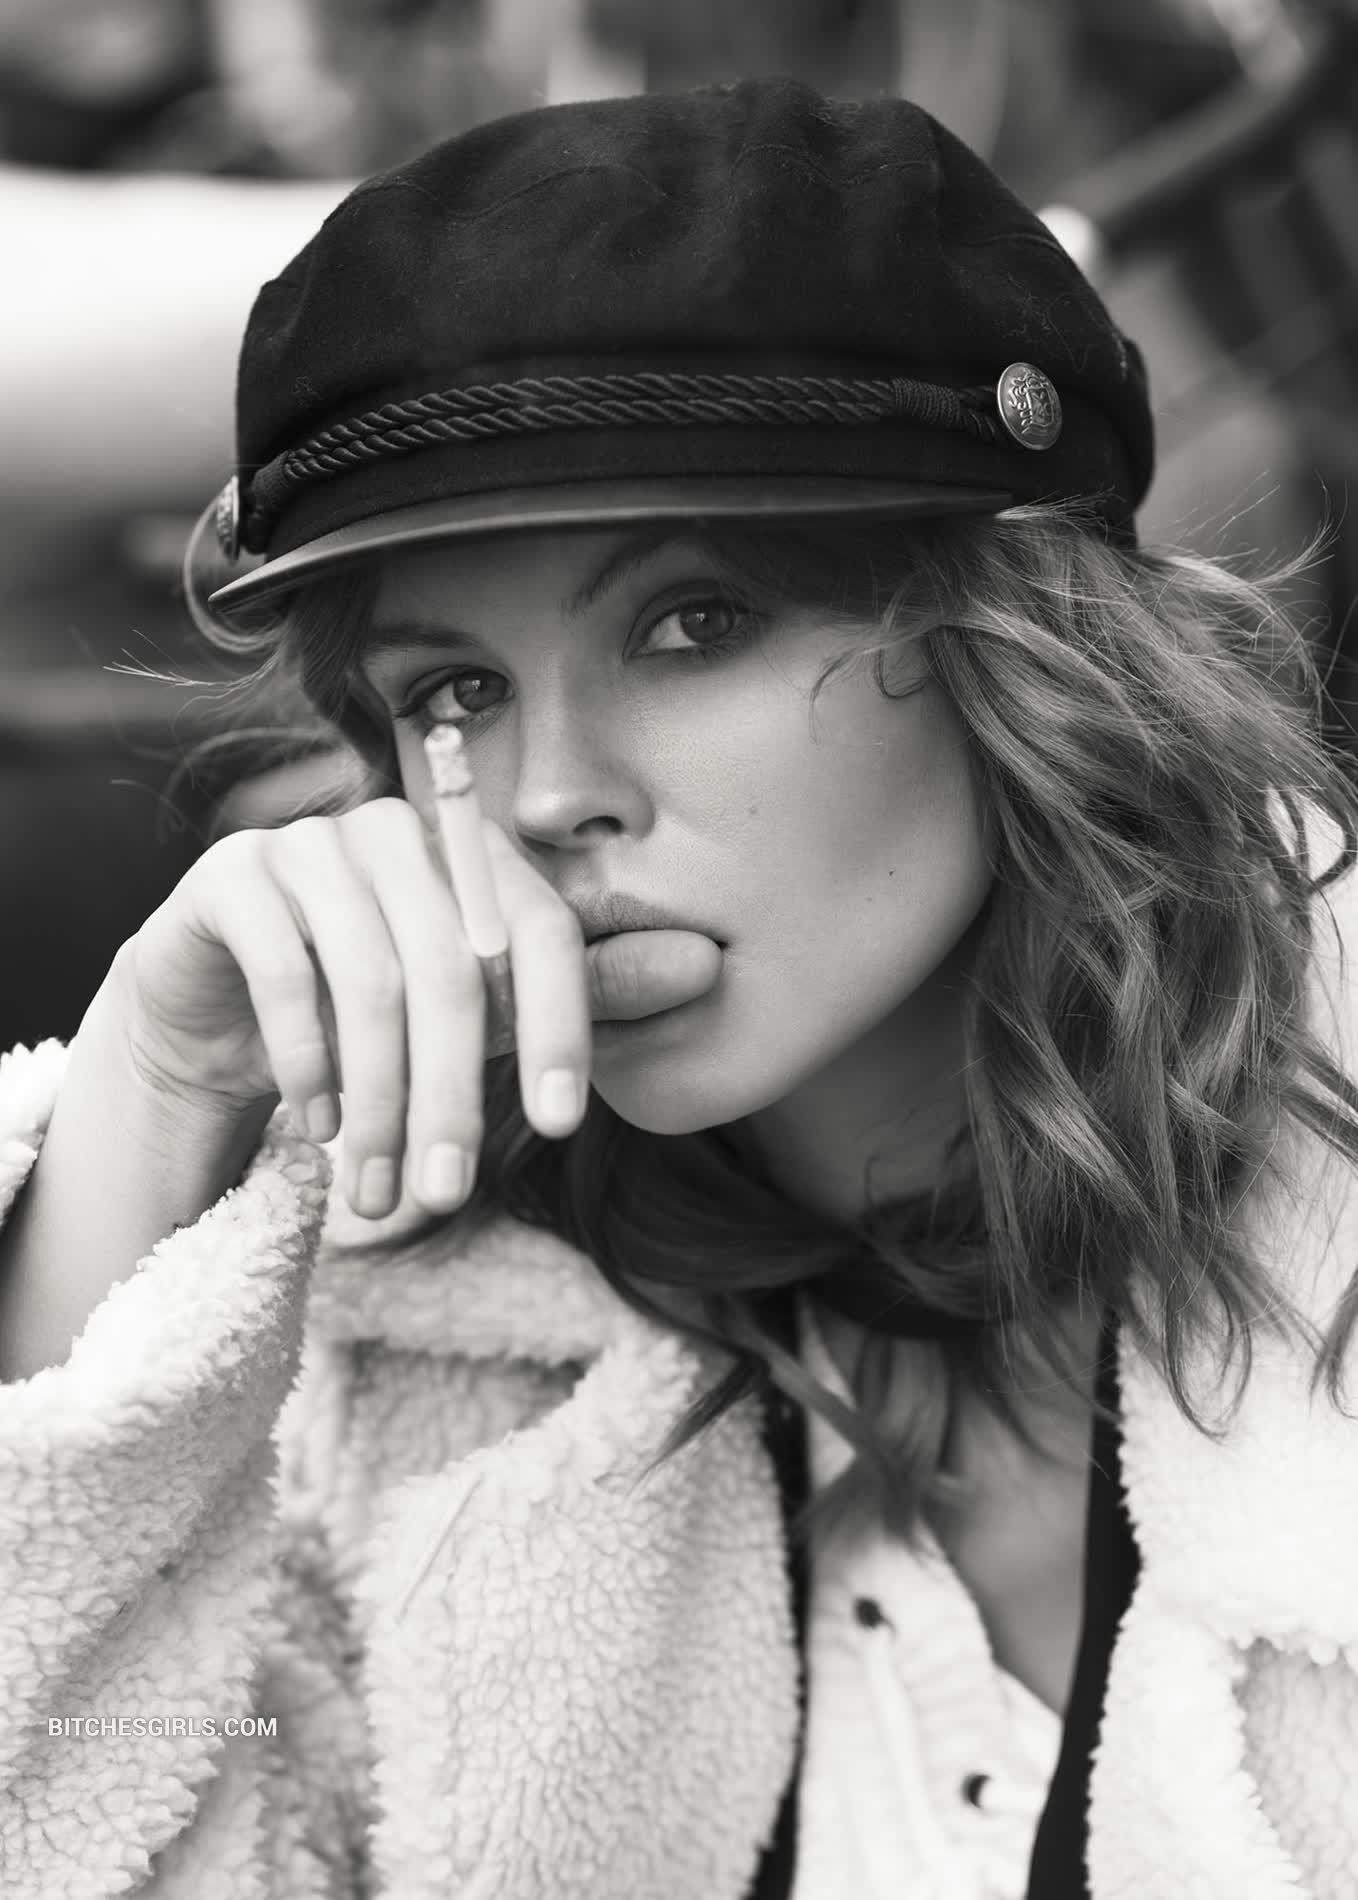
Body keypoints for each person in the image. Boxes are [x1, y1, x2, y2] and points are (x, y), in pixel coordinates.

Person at [1, 77, 1355, 1900]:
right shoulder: (402, 1343)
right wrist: (150, 1095)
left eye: (694, 622)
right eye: (454, 691)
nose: (547, 793)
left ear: (1023, 636)